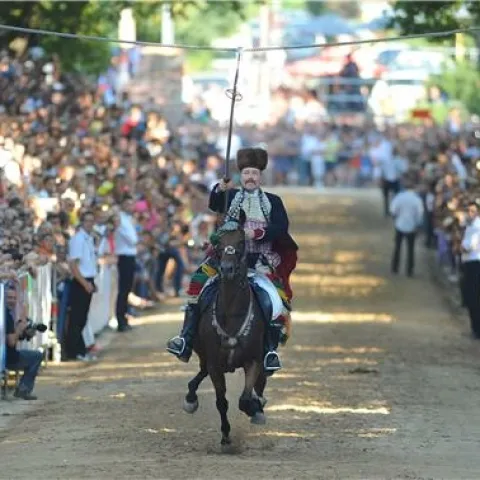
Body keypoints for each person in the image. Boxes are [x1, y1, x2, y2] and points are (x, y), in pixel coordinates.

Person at [166, 147, 298, 372]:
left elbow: (281, 228)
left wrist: (256, 234)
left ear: (260, 177)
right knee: (199, 287)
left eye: (254, 174)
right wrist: (220, 188)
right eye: (246, 173)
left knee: (275, 300)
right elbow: (215, 204)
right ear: (241, 175)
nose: (250, 177)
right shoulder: (232, 196)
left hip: (260, 260)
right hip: (225, 257)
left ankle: (269, 351)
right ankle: (185, 339)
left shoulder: (273, 201)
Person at [4, 287, 43, 400]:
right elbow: (11, 342)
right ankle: (24, 389)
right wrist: (20, 329)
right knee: (37, 356)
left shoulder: (6, 314)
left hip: (7, 355)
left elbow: (9, 338)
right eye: (9, 297)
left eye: (14, 298)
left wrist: (25, 334)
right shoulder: (6, 316)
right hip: (9, 358)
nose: (12, 300)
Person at [390, 175, 424, 277]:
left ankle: (395, 268)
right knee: (410, 249)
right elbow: (420, 213)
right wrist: (418, 225)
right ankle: (409, 270)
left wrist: (396, 218)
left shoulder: (399, 197)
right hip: (412, 226)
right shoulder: (417, 199)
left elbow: (393, 210)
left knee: (397, 247)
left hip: (400, 224)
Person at [460, 201, 480, 338]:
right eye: (468, 210)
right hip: (471, 262)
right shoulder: (471, 225)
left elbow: (469, 246)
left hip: (474, 263)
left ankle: (476, 329)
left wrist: (461, 246)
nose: (470, 213)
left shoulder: (476, 226)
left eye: (472, 211)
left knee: (473, 298)